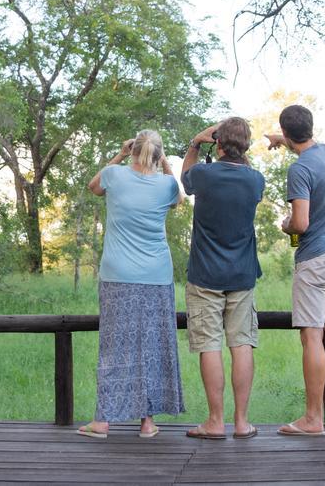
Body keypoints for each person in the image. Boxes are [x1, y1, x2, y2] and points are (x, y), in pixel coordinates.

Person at [77, 129, 185, 439]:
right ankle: (147, 423)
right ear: (158, 153)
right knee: (151, 347)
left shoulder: (114, 175)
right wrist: (165, 165)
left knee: (115, 348)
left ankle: (102, 421)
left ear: (133, 149)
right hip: (156, 276)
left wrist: (120, 155)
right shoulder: (166, 184)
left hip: (118, 275)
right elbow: (178, 199)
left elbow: (93, 187)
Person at [267, 104, 325, 436]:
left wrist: (286, 226)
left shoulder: (300, 170)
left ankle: (312, 419)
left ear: (288, 135)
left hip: (318, 258)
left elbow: (301, 223)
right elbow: (305, 139)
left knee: (311, 336)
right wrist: (284, 138)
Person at [181, 117, 266, 440]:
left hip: (205, 275)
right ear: (246, 147)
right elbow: (242, 168)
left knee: (209, 346)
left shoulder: (203, 175)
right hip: (242, 275)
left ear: (217, 144)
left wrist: (195, 143)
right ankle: (242, 422)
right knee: (242, 343)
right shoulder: (255, 180)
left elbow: (185, 179)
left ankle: (215, 421)